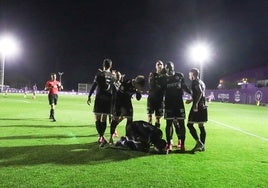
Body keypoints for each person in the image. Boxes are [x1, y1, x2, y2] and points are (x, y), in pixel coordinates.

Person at [163, 61, 191, 153]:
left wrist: (192, 94)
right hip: (168, 104)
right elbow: (161, 91)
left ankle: (182, 144)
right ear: (165, 68)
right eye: (168, 68)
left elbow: (184, 86)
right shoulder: (164, 78)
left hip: (179, 103)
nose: (170, 69)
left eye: (171, 67)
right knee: (169, 124)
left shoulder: (179, 75)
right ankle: (169, 143)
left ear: (173, 67)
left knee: (182, 124)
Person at [109, 75, 145, 145]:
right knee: (116, 120)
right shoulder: (126, 83)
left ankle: (127, 138)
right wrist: (122, 110)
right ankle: (111, 137)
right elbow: (119, 95)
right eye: (140, 86)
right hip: (119, 102)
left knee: (130, 120)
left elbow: (138, 98)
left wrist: (138, 92)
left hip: (127, 103)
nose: (140, 88)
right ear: (137, 83)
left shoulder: (136, 87)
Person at [87, 58, 115, 147]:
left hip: (99, 98)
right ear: (110, 66)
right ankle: (101, 137)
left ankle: (101, 137)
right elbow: (113, 88)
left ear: (103, 65)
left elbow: (94, 85)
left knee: (97, 118)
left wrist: (89, 96)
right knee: (104, 119)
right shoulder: (112, 75)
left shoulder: (99, 74)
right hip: (108, 99)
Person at [186, 68, 207, 152]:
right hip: (203, 105)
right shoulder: (202, 82)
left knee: (189, 125)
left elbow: (200, 92)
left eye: (189, 75)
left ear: (192, 74)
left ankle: (199, 143)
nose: (189, 76)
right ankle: (202, 146)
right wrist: (191, 100)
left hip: (198, 106)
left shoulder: (195, 82)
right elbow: (201, 94)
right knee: (201, 126)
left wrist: (195, 104)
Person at [147, 60, 165, 128]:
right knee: (150, 116)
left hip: (160, 99)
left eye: (161, 64)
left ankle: (156, 133)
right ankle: (149, 132)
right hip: (151, 98)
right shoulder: (152, 74)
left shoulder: (165, 76)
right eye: (158, 64)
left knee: (158, 118)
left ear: (163, 66)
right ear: (156, 66)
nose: (159, 65)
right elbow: (151, 85)